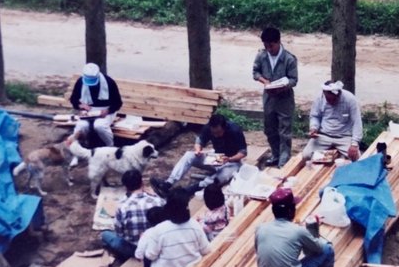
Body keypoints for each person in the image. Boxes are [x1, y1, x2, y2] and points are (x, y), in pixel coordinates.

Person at [254, 188, 336, 267]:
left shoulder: (261, 228)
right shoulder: (297, 231)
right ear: (290, 211)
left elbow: (258, 251)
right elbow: (318, 249)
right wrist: (313, 226)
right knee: (328, 250)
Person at [151, 114, 247, 198]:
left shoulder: (235, 130)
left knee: (223, 176)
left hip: (232, 162)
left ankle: (189, 190)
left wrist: (230, 159)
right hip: (216, 158)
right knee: (189, 155)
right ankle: (167, 184)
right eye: (214, 133)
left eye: (218, 133)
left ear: (224, 128)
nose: (216, 135)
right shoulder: (208, 127)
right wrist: (198, 150)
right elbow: (199, 141)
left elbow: (243, 152)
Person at [135, 188, 210, 267]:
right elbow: (206, 250)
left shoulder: (158, 230)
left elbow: (150, 256)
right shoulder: (194, 225)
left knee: (147, 256)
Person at [252, 27, 298, 168]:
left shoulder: (289, 59)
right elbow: (255, 72)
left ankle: (284, 160)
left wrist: (282, 86)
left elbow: (293, 80)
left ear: (278, 42)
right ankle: (276, 154)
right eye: (266, 46)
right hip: (269, 98)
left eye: (271, 46)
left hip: (284, 99)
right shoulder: (261, 56)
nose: (269, 49)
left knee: (284, 131)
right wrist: (264, 81)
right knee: (270, 129)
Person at [100, 170, 164, 260]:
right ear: (142, 183)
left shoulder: (122, 207)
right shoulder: (157, 200)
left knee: (105, 235)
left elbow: (119, 233)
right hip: (156, 245)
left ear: (126, 187)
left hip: (133, 248)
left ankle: (121, 256)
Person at [302, 80, 363, 163]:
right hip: (324, 135)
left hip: (344, 137)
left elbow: (357, 122)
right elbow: (315, 116)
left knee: (356, 158)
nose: (330, 102)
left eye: (333, 99)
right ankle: (334, 153)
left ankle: (339, 154)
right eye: (328, 99)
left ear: (338, 94)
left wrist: (354, 143)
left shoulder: (350, 99)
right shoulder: (319, 98)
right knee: (306, 155)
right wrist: (314, 127)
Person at [69, 63, 123, 153]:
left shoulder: (109, 82)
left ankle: (111, 147)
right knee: (81, 126)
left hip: (106, 110)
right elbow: (73, 99)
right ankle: (79, 149)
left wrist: (108, 110)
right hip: (88, 112)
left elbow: (118, 103)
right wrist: (80, 106)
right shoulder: (80, 82)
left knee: (99, 125)